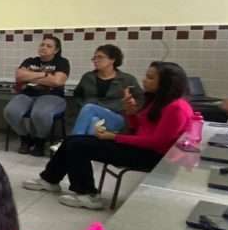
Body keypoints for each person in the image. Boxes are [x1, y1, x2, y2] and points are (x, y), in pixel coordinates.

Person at [24, 61, 193, 210]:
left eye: (150, 78)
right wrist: (131, 112)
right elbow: (138, 129)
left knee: (78, 146)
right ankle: (50, 180)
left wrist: (114, 137)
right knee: (72, 141)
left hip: (153, 157)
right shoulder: (157, 101)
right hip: (141, 149)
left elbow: (157, 143)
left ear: (165, 83)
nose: (144, 80)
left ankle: (88, 195)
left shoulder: (176, 107)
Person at [3, 35, 70, 157]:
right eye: (42, 45)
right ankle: (25, 138)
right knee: (10, 111)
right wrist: (45, 75)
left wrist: (31, 75)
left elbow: (57, 82)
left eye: (48, 46)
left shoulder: (62, 62)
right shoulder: (30, 61)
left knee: (40, 113)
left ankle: (40, 141)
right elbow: (19, 77)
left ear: (56, 50)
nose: (43, 47)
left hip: (52, 95)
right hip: (27, 94)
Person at [69, 45, 142, 136]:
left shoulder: (127, 79)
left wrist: (128, 106)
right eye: (94, 58)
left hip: (116, 117)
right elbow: (77, 95)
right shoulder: (88, 77)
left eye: (100, 57)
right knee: (94, 122)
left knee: (89, 107)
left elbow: (140, 99)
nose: (95, 60)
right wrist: (81, 106)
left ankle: (72, 141)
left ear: (112, 60)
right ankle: (85, 148)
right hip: (92, 115)